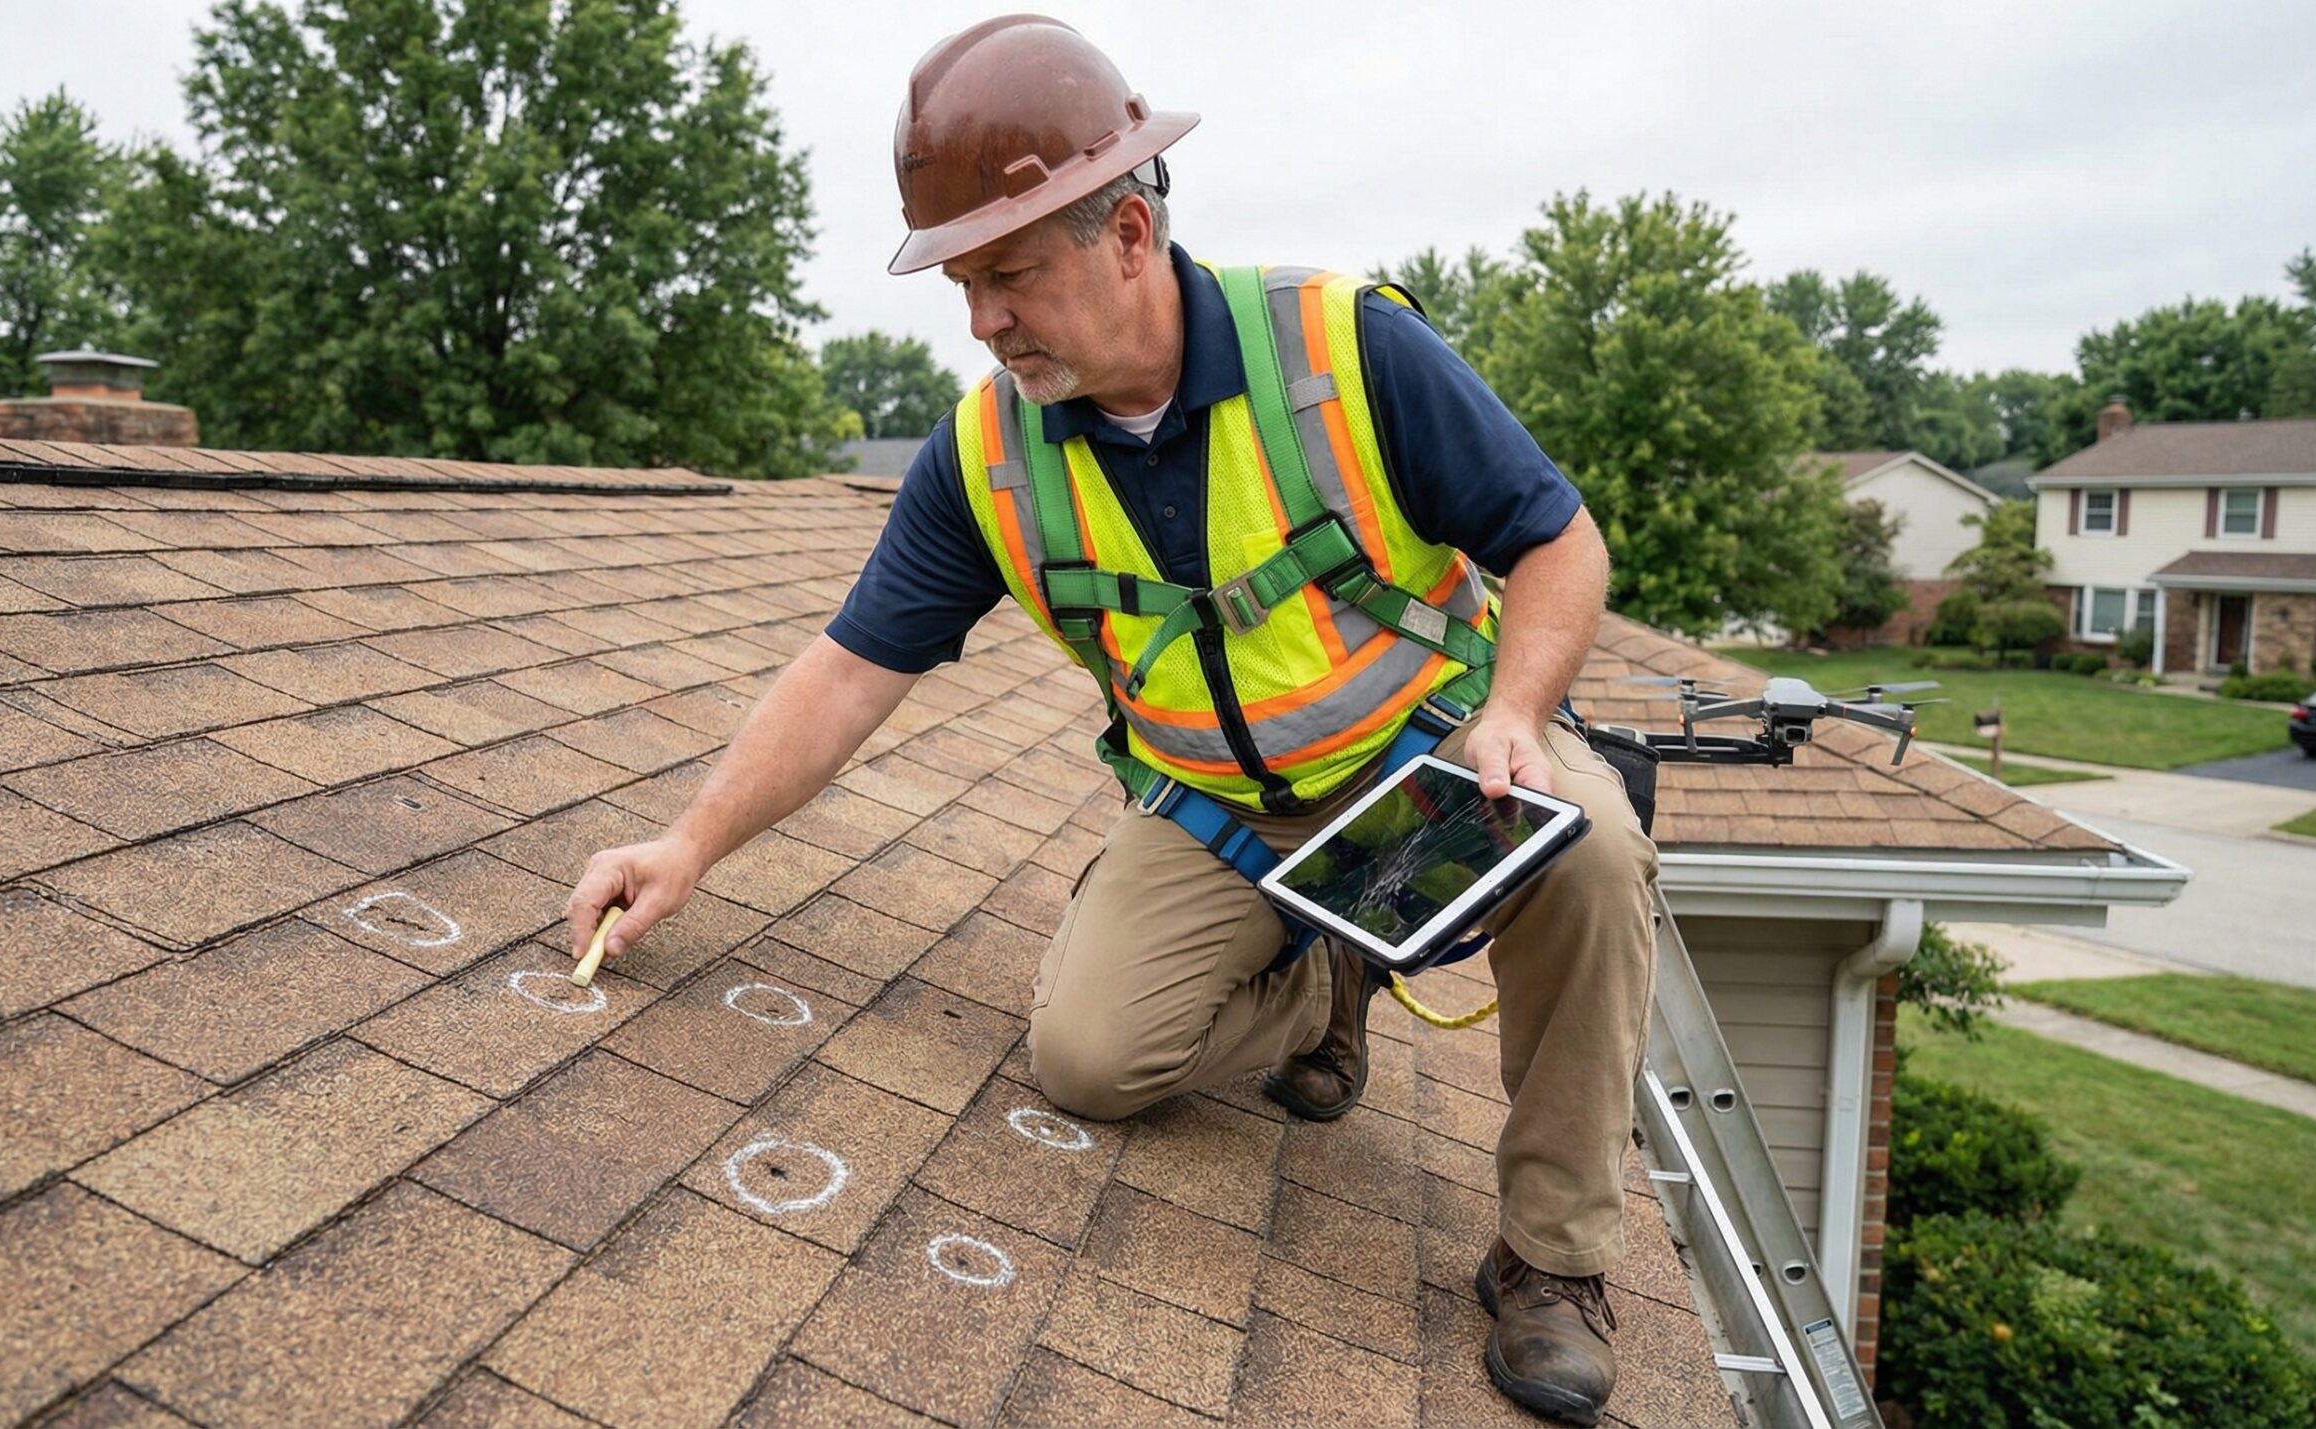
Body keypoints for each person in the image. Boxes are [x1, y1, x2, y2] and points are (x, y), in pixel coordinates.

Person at [565, 16, 1657, 1424]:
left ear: (1129, 233)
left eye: (1009, 273)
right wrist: (687, 844)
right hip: (1222, 814)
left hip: (1425, 761)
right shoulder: (985, 457)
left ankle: (1553, 1258)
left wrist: (1516, 711)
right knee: (1088, 1059)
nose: (982, 321)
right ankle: (1325, 971)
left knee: (1593, 850)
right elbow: (847, 671)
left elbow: (1561, 539)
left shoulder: (1345, 350)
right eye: (964, 283)